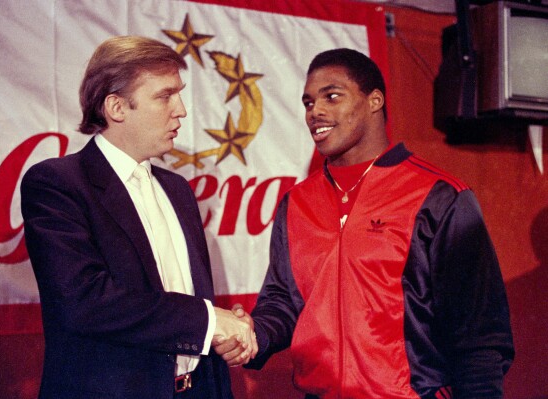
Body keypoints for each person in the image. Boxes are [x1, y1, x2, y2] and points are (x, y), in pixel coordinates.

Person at [215, 48, 514, 398]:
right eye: (308, 103)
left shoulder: (440, 196)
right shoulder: (296, 203)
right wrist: (255, 334)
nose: (316, 112)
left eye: (332, 96)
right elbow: (283, 301)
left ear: (374, 101)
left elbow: (480, 334)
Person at [21, 36, 256, 399]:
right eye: (164, 96)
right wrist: (209, 321)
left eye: (178, 94)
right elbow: (85, 302)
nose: (181, 110)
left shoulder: (178, 189)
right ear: (116, 107)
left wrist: (220, 334)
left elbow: (185, 299)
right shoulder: (56, 183)